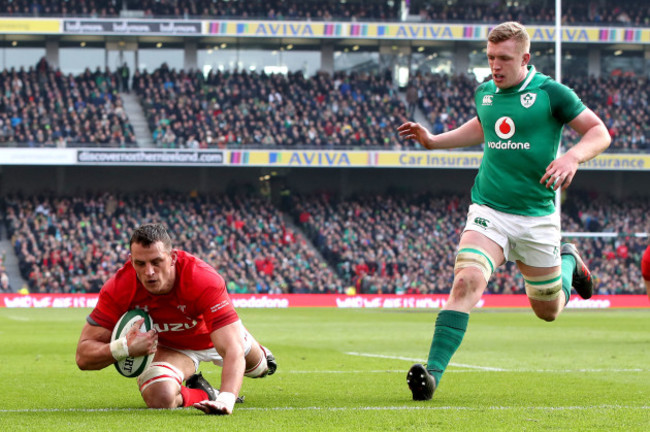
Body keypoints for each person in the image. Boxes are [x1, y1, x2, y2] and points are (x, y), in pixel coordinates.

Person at [397, 21, 611, 401]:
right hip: (489, 210)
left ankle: (569, 262)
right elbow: (483, 128)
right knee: (466, 282)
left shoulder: (551, 93)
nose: (495, 66)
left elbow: (599, 131)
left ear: (525, 58)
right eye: (491, 57)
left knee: (548, 311)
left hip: (537, 216)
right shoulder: (485, 92)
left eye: (504, 59)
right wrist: (433, 141)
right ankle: (431, 376)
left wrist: (572, 157)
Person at [76, 223, 277, 415]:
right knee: (159, 397)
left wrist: (227, 400)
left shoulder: (202, 278)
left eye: (156, 262)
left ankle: (250, 343)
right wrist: (125, 348)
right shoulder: (119, 287)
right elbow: (83, 356)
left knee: (260, 369)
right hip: (172, 349)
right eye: (140, 263)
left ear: (172, 257)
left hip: (214, 338)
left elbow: (231, 349)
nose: (149, 272)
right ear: (131, 260)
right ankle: (205, 392)